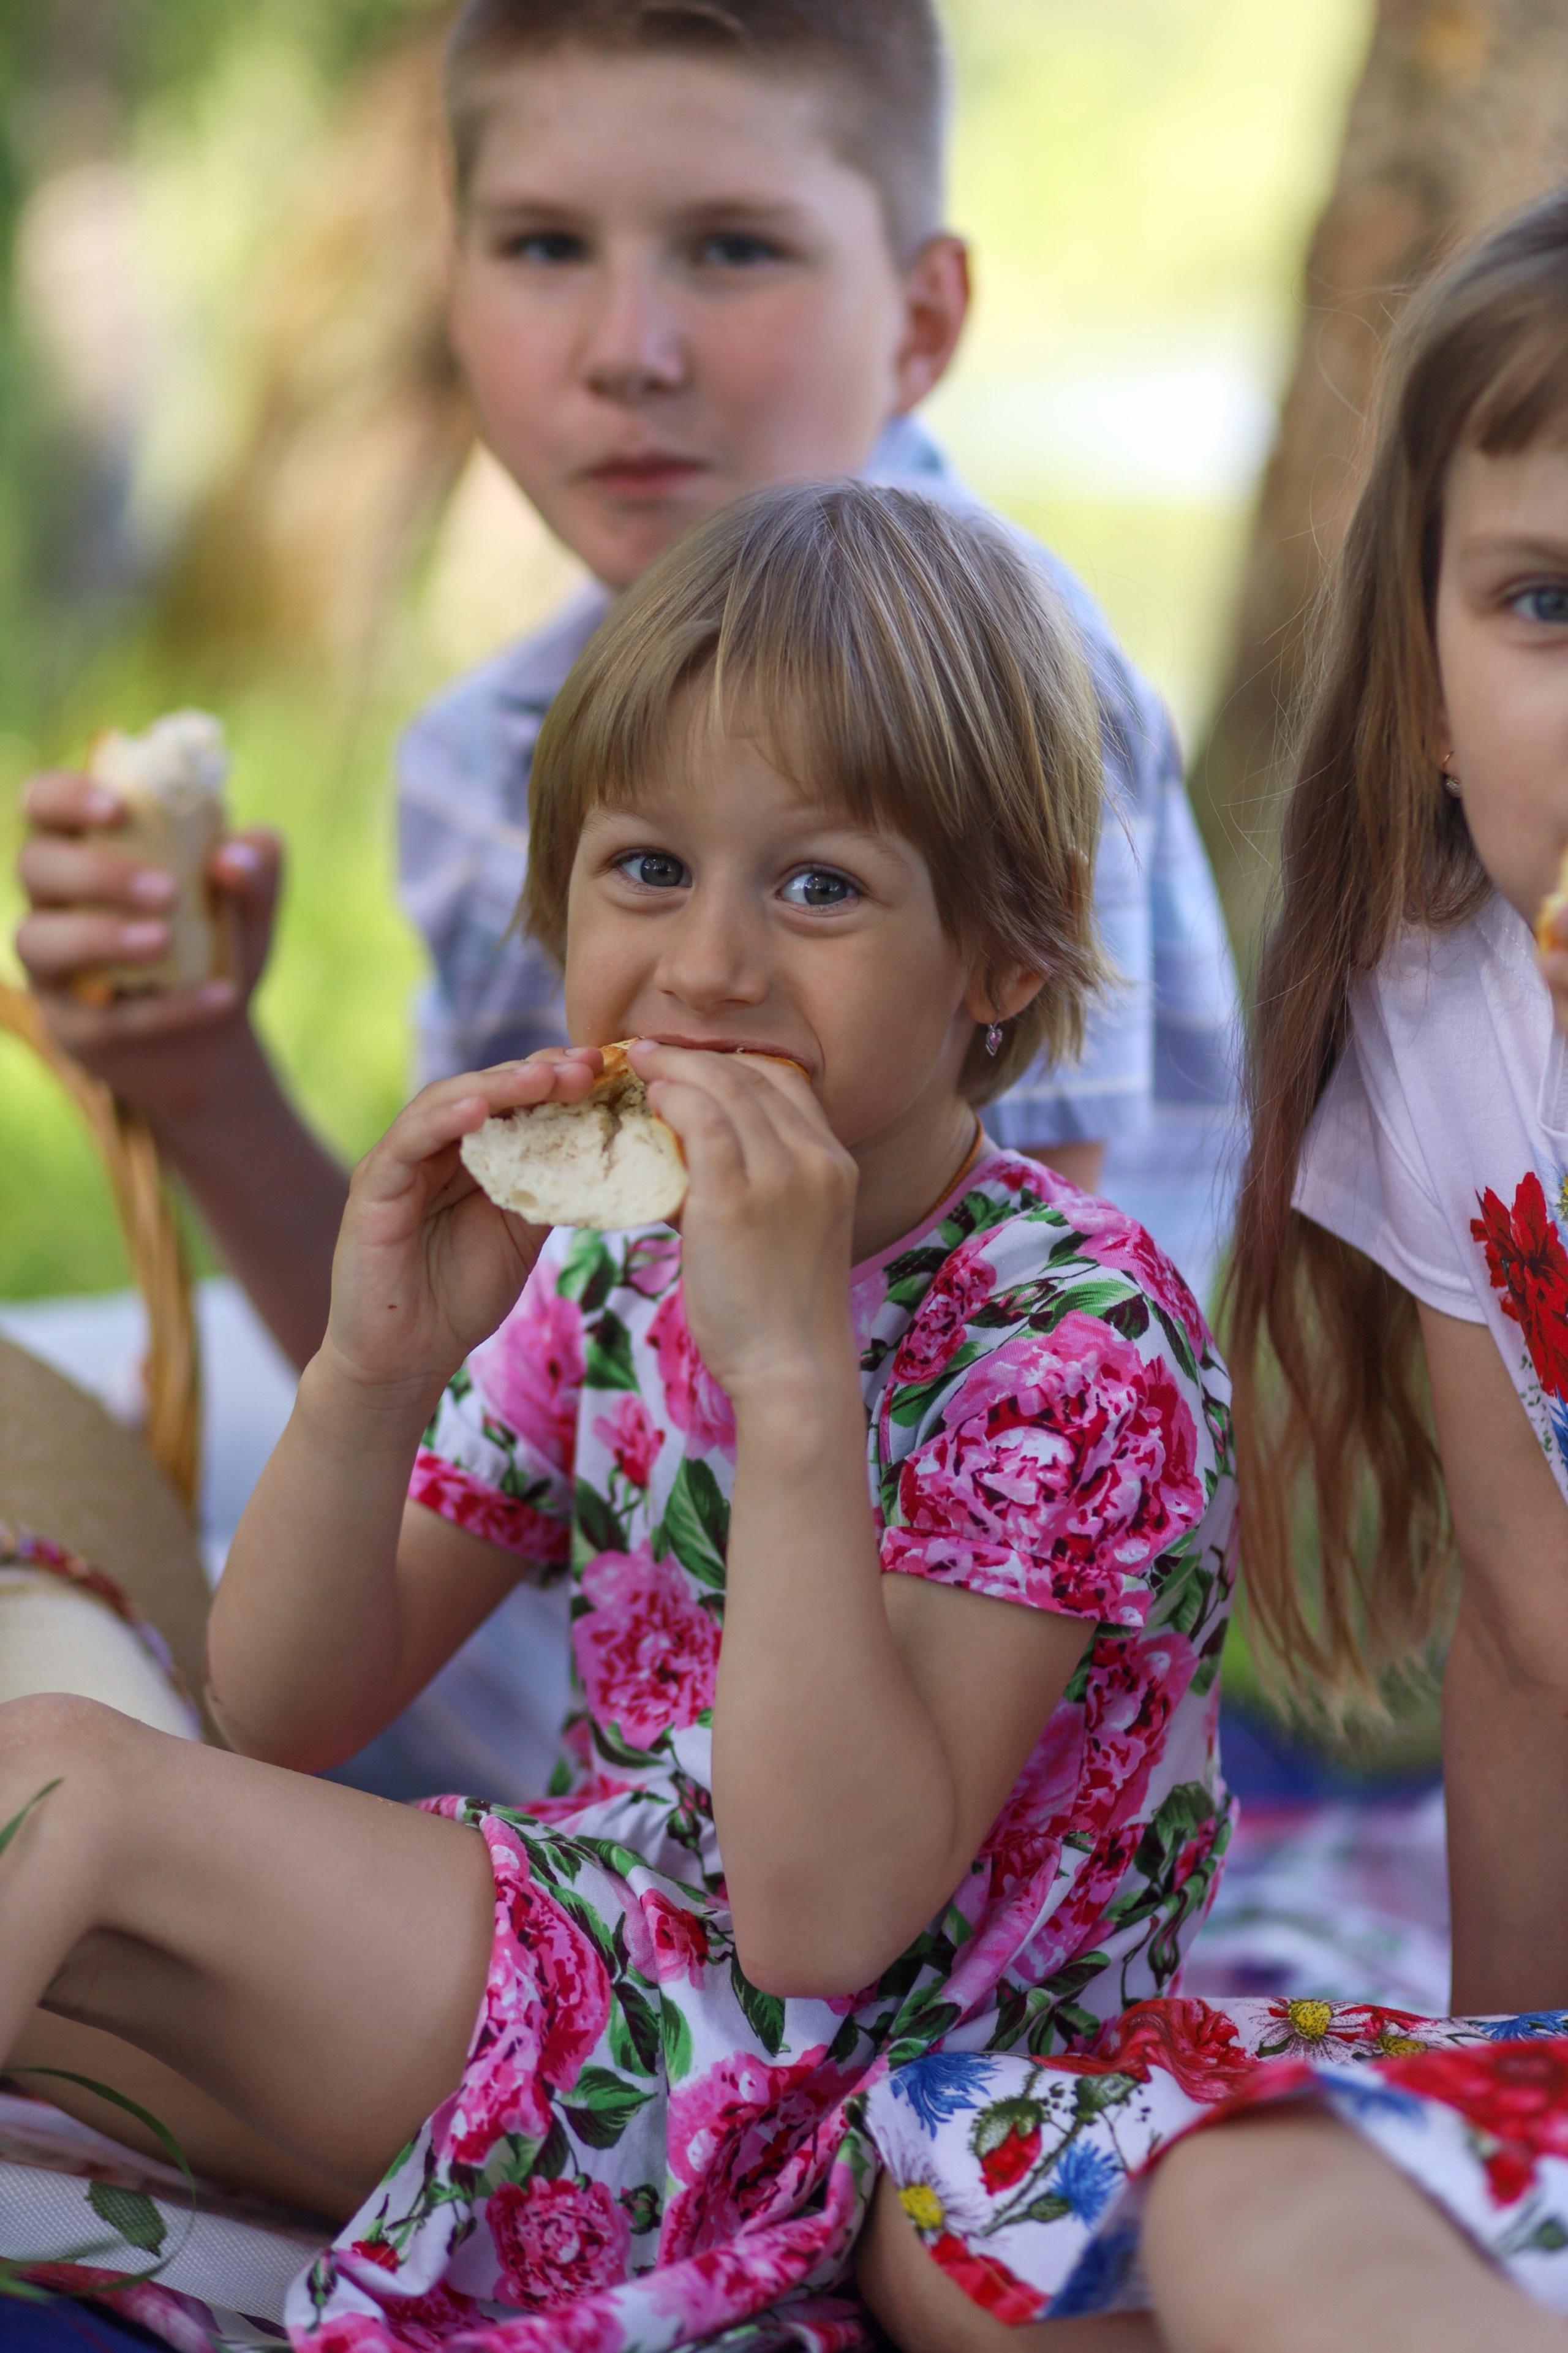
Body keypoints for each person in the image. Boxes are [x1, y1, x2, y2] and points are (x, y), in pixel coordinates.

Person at [0, 482, 1246, 2351]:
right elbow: (282, 1707)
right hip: (607, 2018)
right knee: (69, 1946)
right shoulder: (608, 1266)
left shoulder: (1074, 1339)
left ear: (1004, 958)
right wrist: (371, 1366)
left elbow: (826, 1922)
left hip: (844, 2104)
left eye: (819, 884)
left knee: (70, 1774)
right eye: (647, 869)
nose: (713, 965)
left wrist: (793, 1382)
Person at [10, 0, 1239, 1803]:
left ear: (923, 317)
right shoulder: (481, 746)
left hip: (863, 1787)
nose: (627, 347)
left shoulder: (1011, 715)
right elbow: (467, 1341)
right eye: (543, 248)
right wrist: (199, 1074)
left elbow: (975, 1413)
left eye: (732, 248)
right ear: (452, 291)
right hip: (506, 1667)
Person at [842, 185, 1568, 2353]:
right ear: (1428, 695)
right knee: (970, 2205)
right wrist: (1506, 2105)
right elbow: (1526, 1647)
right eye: (1552, 601)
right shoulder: (1452, 1035)